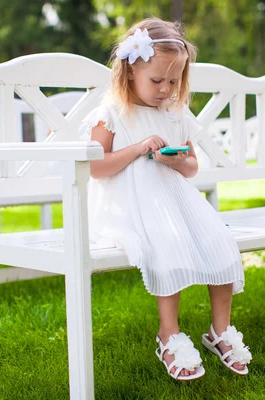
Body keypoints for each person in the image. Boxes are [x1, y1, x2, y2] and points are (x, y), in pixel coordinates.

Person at [80, 17, 252, 381]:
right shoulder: (112, 111)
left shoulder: (175, 112)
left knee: (219, 240)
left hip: (175, 201)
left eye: (173, 81)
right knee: (167, 243)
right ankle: (168, 333)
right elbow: (96, 169)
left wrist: (177, 160)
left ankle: (219, 331)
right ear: (129, 74)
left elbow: (191, 167)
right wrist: (139, 147)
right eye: (157, 80)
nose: (165, 89)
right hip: (127, 205)